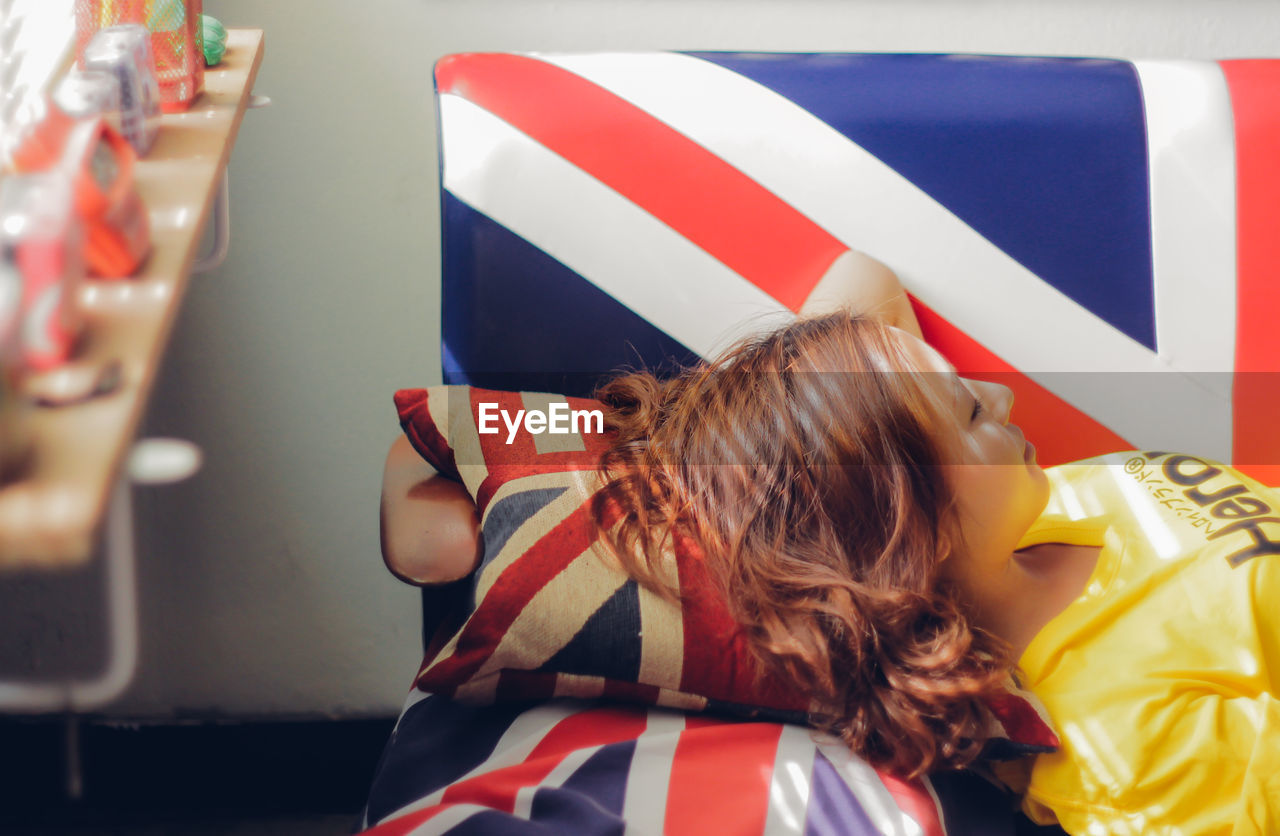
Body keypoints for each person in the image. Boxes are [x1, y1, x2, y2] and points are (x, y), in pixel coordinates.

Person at [381, 251, 1278, 835]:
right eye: (972, 412)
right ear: (908, 525)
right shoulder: (1124, 733)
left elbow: (862, 279)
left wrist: (722, 443)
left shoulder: (1028, 505)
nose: (1003, 401)